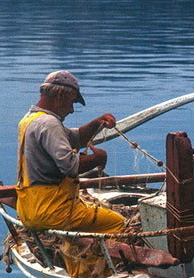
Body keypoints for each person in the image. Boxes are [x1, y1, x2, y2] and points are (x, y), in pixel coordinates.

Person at [16, 70, 125, 238]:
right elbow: (70, 167)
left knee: (76, 236)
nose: (72, 110)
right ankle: (101, 264)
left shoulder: (30, 120)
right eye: (72, 102)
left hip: (29, 210)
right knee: (116, 223)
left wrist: (97, 123)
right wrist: (99, 158)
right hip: (54, 211)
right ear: (60, 94)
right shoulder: (49, 123)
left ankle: (76, 263)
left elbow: (76, 138)